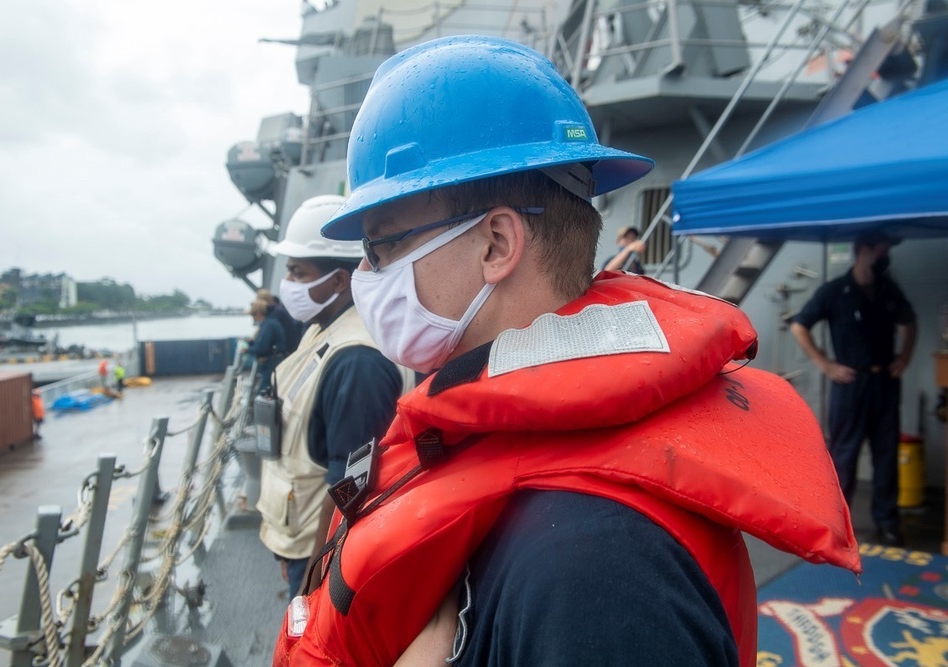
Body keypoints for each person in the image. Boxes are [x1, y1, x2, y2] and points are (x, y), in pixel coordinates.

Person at [274, 36, 859, 667]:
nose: (367, 274)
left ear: (496, 244)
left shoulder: (597, 570)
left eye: (383, 246)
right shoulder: (512, 446)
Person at [257, 194, 414, 603]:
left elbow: (349, 481)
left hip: (320, 555)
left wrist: (314, 572)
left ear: (339, 281)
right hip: (300, 537)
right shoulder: (321, 329)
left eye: (296, 272)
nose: (286, 284)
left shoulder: (357, 361)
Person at [790, 231, 917, 547]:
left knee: (886, 455)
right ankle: (836, 524)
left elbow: (910, 321)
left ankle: (887, 523)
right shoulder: (835, 291)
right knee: (844, 455)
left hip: (884, 382)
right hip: (850, 385)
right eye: (880, 249)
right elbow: (799, 325)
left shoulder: (888, 290)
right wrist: (824, 363)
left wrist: (904, 356)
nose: (884, 255)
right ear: (863, 250)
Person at [246, 300, 288, 396]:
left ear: (258, 314)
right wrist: (252, 343)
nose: (253, 318)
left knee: (263, 393)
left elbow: (263, 348)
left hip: (271, 364)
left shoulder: (268, 325)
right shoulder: (269, 323)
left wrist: (248, 350)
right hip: (272, 362)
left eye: (253, 315)